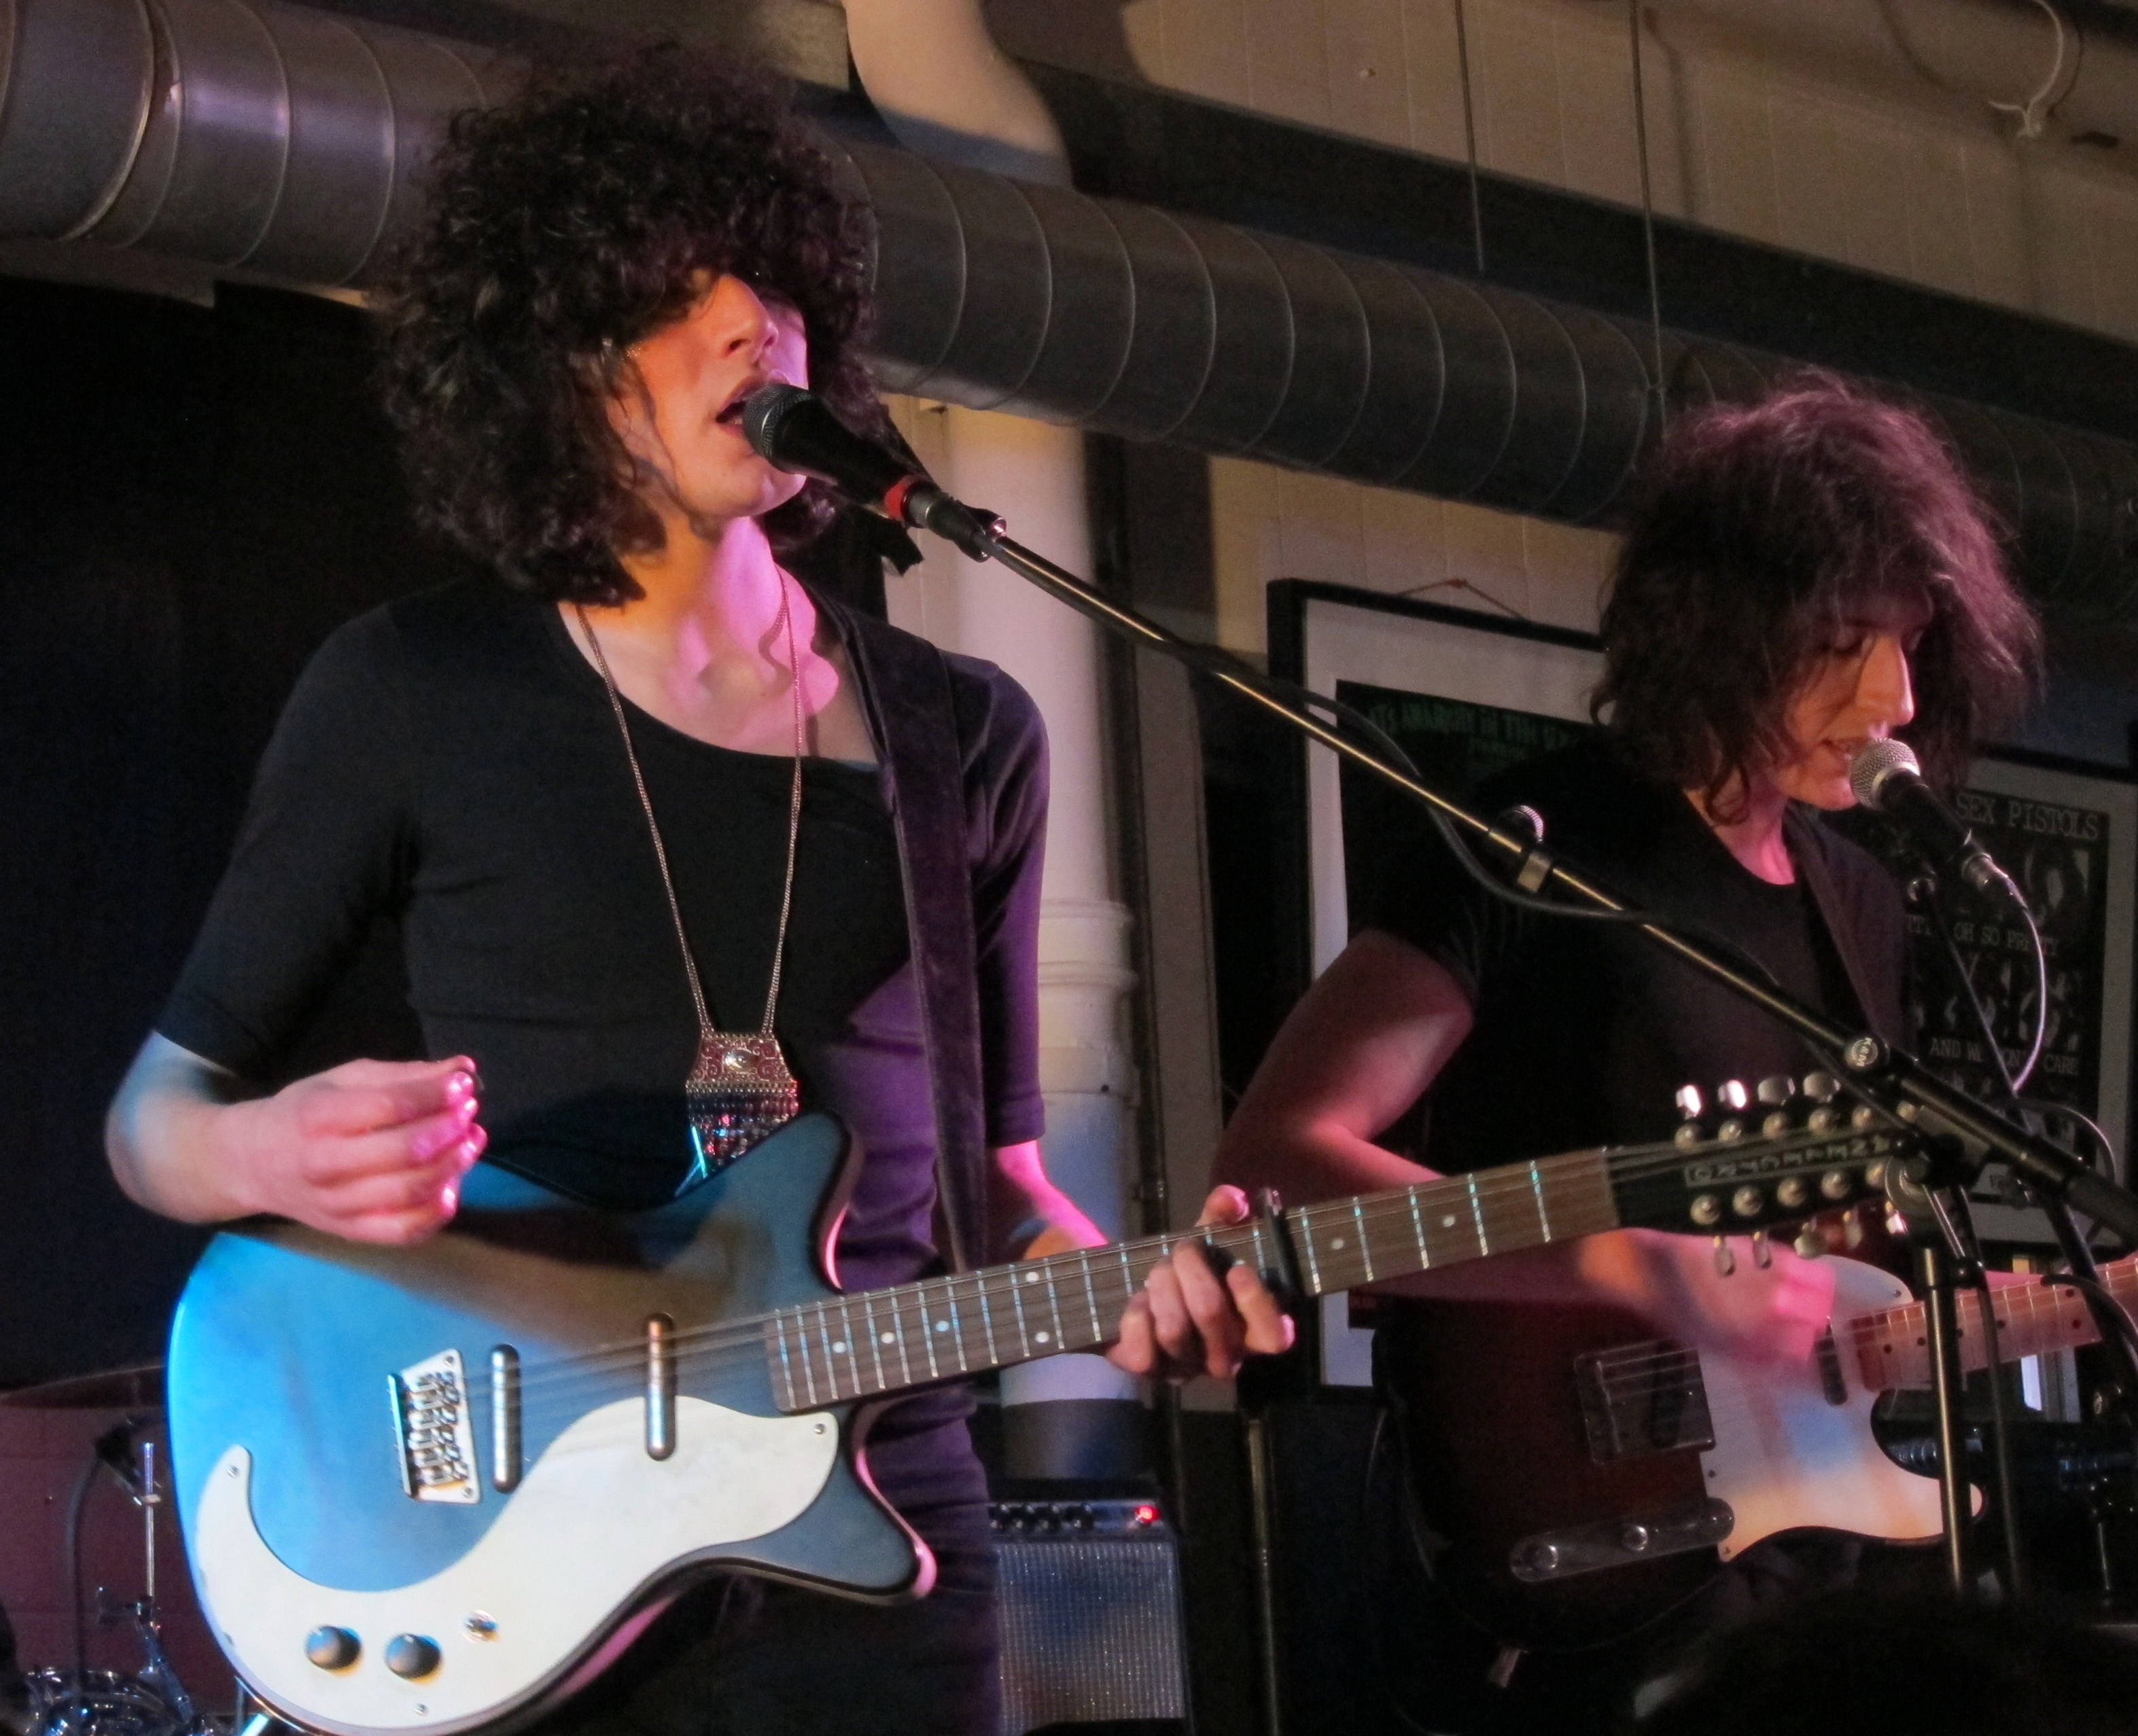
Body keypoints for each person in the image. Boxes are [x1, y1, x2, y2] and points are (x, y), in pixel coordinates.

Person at [105, 52, 1288, 1736]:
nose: (752, 325)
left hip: (880, 1524)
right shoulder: (414, 689)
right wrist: (266, 1154)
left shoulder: (965, 735)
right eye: (679, 295)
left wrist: (1136, 1292)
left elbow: (998, 1182)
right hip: (524, 1511)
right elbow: (152, 1124)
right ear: (564, 366)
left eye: (774, 285)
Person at [1214, 378, 2044, 1729]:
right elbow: (1278, 1165)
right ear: (1720, 630)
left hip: (1809, 1561)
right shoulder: (1543, 845)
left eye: (1906, 641)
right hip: (1588, 1550)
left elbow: (1838, 1277)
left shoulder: (1859, 898)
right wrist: (1627, 1263)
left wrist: (2104, 1303)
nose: (1893, 693)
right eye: (1843, 641)